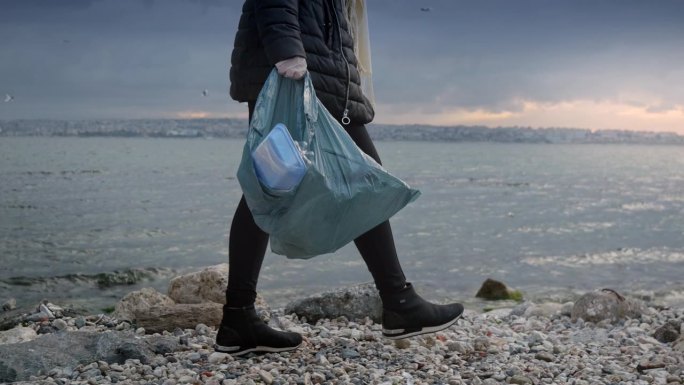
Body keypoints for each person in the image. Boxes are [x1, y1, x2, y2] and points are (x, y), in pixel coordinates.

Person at [216, 0, 464, 356]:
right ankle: (399, 301)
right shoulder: (292, 62)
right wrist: (288, 53)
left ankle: (238, 317)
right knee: (349, 180)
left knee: (273, 185)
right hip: (296, 71)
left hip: (320, 70)